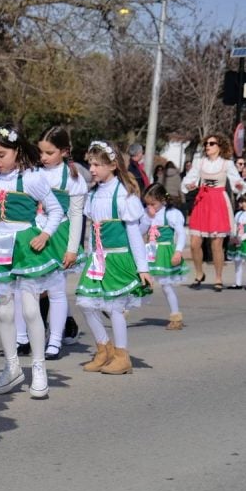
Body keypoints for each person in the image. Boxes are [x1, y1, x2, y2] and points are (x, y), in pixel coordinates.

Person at [0, 126, 63, 398]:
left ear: (17, 151)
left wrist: (45, 234)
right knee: (3, 311)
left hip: (26, 245)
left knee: (31, 310)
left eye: (1, 154)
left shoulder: (31, 178)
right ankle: (12, 366)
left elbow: (55, 210)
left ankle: (38, 367)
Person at [77, 141, 154, 376]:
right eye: (90, 164)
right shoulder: (93, 194)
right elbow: (92, 230)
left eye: (97, 165)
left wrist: (142, 268)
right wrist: (88, 255)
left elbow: (134, 234)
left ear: (112, 165)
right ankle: (104, 348)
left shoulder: (123, 195)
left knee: (115, 308)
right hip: (98, 259)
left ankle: (122, 355)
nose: (91, 169)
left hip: (118, 258)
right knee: (85, 302)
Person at [36, 125, 88, 359]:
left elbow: (77, 216)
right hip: (36, 234)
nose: (43, 158)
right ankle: (34, 335)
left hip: (59, 236)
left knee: (53, 289)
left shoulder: (73, 178)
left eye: (49, 153)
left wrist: (71, 249)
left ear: (64, 152)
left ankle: (55, 339)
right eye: (41, 153)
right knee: (36, 289)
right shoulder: (34, 173)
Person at [181, 132, 245, 291]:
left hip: (218, 202)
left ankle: (218, 277)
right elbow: (189, 179)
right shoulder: (200, 162)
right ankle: (199, 273)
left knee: (217, 244)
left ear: (220, 146)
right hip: (202, 201)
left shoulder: (227, 164)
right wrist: (189, 185)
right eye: (206, 144)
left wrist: (239, 186)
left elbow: (237, 180)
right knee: (195, 243)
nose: (207, 146)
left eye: (211, 144)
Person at [141, 183, 189, 329]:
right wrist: (148, 218)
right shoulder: (147, 213)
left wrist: (178, 251)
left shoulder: (172, 213)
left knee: (166, 285)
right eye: (147, 204)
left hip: (164, 252)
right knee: (142, 281)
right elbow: (140, 231)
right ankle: (123, 309)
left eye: (153, 203)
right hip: (149, 251)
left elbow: (181, 233)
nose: (150, 207)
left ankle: (176, 316)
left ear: (162, 199)